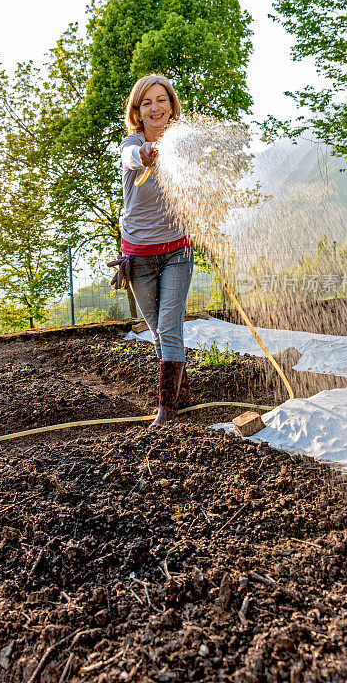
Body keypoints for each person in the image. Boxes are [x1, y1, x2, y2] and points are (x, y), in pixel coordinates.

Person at [109, 73, 194, 427]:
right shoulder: (132, 145)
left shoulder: (182, 145)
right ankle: (180, 391)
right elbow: (131, 156)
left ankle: (167, 412)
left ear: (171, 106)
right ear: (138, 111)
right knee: (158, 330)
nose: (155, 107)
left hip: (177, 251)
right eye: (147, 102)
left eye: (161, 100)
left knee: (169, 325)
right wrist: (143, 155)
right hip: (138, 257)